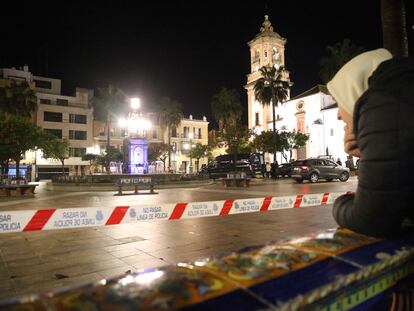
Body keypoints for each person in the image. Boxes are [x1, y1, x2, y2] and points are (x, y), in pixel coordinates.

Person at [327, 48, 414, 238]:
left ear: (355, 90)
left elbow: (370, 220)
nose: (338, 113)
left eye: (338, 98)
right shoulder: (400, 92)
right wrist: (370, 150)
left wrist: (340, 203)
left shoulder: (384, 101)